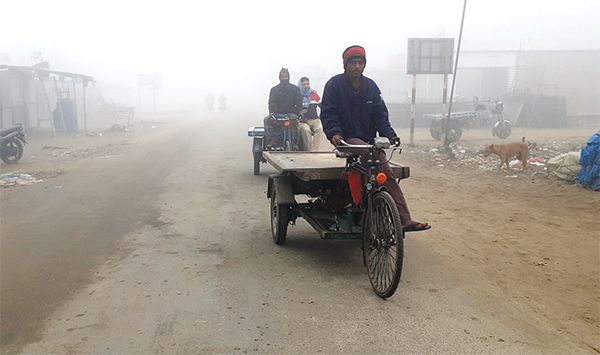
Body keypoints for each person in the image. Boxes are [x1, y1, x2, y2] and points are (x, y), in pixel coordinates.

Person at [321, 45, 430, 232]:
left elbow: (380, 116)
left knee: (377, 161)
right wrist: (335, 134)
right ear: (345, 64)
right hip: (347, 140)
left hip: (368, 142)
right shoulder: (334, 85)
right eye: (353, 63)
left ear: (364, 65)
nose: (357, 66)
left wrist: (390, 135)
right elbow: (328, 114)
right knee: (379, 161)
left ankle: (376, 203)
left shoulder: (370, 86)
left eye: (360, 62)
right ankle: (404, 219)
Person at [264, 68, 302, 148]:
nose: (284, 78)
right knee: (267, 119)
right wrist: (272, 112)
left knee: (294, 121)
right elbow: (272, 102)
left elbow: (299, 103)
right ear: (279, 77)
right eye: (282, 77)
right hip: (278, 114)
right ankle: (271, 140)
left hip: (291, 114)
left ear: (289, 77)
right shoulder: (274, 90)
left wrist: (298, 113)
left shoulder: (295, 89)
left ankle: (294, 142)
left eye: (286, 76)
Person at [297, 77, 325, 151]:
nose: (306, 86)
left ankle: (314, 150)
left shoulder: (314, 94)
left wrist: (321, 117)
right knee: (306, 130)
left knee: (320, 128)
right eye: (304, 84)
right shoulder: (297, 96)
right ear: (300, 85)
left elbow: (323, 106)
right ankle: (309, 150)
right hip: (302, 121)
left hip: (315, 120)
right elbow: (297, 112)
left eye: (307, 84)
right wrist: (306, 121)